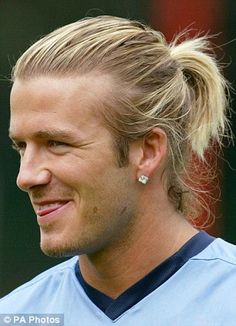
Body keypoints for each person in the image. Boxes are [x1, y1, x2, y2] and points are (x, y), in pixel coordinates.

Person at [0, 15, 235, 325]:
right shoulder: (16, 314)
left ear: (148, 152)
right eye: (22, 147)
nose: (26, 177)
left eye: (56, 143)